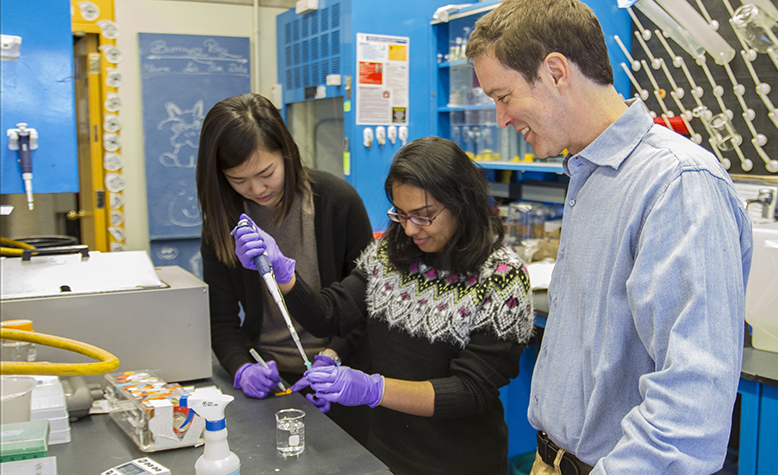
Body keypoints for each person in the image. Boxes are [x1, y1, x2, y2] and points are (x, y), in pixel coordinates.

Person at [466, 1, 754, 474]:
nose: (500, 118)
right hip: (553, 460)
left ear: (556, 71)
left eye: (503, 96)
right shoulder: (589, 175)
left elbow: (691, 403)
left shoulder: (677, 183)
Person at [232, 136, 534, 474]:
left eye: (424, 216)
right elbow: (333, 315)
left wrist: (373, 389)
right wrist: (283, 272)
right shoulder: (391, 253)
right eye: (401, 214)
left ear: (462, 202)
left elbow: (469, 390)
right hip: (384, 453)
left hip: (457, 461)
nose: (409, 228)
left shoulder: (502, 278)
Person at [195, 92, 374, 442]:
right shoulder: (222, 224)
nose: (257, 188)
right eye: (238, 179)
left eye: (266, 173)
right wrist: (241, 367)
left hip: (340, 377)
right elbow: (220, 321)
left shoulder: (337, 202)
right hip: (268, 383)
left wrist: (335, 354)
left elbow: (367, 300)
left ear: (286, 151)